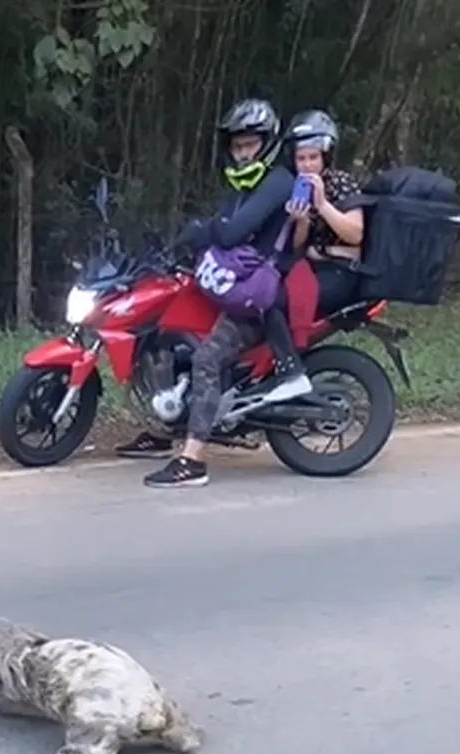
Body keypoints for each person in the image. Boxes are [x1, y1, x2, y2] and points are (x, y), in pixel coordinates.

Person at [119, 98, 310, 490]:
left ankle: (193, 461)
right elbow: (218, 224)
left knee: (207, 358)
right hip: (238, 284)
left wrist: (206, 232)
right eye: (237, 146)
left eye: (249, 145)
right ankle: (169, 428)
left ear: (268, 143)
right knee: (178, 341)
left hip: (258, 297)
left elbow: (230, 232)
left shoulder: (277, 182)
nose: (241, 153)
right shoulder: (244, 185)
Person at [285, 109, 365, 316]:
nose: (308, 165)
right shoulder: (295, 188)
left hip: (339, 270)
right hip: (307, 267)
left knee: (287, 301)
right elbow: (296, 247)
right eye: (301, 159)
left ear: (325, 157)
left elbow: (356, 233)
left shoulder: (341, 183)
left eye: (314, 157)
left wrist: (322, 205)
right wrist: (300, 221)